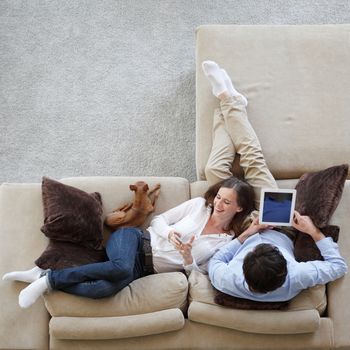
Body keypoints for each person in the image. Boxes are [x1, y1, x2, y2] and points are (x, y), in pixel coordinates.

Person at [3, 61, 276, 308]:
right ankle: (48, 279)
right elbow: (157, 221)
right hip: (134, 239)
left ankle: (42, 275)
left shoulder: (226, 241)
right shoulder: (198, 206)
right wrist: (169, 234)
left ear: (239, 209)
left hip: (144, 268)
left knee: (102, 289)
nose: (218, 203)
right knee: (121, 268)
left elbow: (202, 272)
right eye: (218, 197)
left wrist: (188, 257)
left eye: (226, 202)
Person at [201, 60, 348, 301]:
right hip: (281, 224)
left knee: (214, 169)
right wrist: (312, 231)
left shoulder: (229, 280)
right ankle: (228, 99)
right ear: (286, 268)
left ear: (244, 269)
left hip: (242, 224)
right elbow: (339, 266)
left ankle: (229, 103)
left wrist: (248, 234)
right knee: (252, 161)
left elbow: (217, 260)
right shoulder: (298, 275)